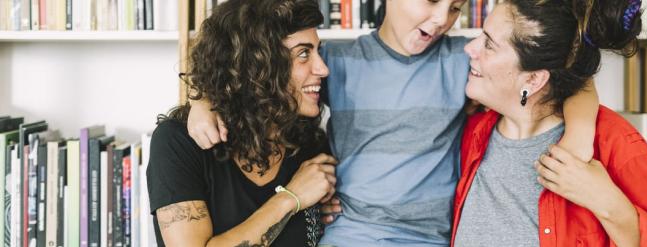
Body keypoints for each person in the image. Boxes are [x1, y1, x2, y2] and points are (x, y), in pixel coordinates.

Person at [186, 0, 600, 245]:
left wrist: (579, 139)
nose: (441, 18)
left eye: (455, 7)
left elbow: (568, 79)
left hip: (430, 239)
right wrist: (202, 102)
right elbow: (253, 78)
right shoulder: (336, 64)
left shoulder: (464, 62)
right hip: (352, 234)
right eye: (431, 1)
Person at [452, 0, 647, 246]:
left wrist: (609, 204)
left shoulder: (612, 143)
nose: (470, 48)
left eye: (489, 45)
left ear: (534, 80)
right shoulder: (472, 131)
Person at [146, 0, 337, 246]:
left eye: (317, 51)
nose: (323, 69)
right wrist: (291, 198)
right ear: (257, 65)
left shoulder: (310, 145)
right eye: (303, 53)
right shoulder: (180, 142)